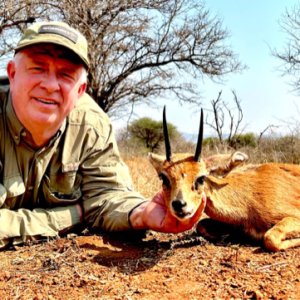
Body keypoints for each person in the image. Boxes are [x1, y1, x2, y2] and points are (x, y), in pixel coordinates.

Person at [0, 21, 205, 249]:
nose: (50, 85)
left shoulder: (92, 124)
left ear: (80, 91)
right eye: (37, 68)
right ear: (12, 73)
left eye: (66, 75)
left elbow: (108, 195)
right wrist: (73, 215)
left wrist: (140, 214)